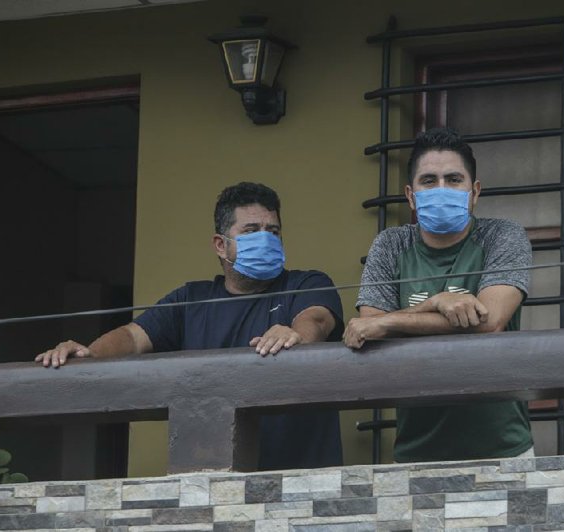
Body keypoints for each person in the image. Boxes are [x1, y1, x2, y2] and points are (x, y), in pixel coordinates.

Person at [36, 182, 343, 470]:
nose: (265, 238)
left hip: (304, 479)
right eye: (251, 231)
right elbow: (133, 336)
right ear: (220, 245)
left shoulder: (307, 283)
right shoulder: (191, 299)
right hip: (211, 483)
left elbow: (316, 319)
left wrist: (296, 336)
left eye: (272, 231)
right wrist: (89, 355)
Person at [344, 127, 533, 463]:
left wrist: (395, 322)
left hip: (503, 449)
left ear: (474, 191)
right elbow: (368, 328)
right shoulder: (391, 245)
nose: (441, 189)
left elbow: (490, 321)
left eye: (454, 179)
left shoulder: (502, 235)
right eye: (429, 181)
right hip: (416, 449)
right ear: (411, 195)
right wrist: (437, 303)